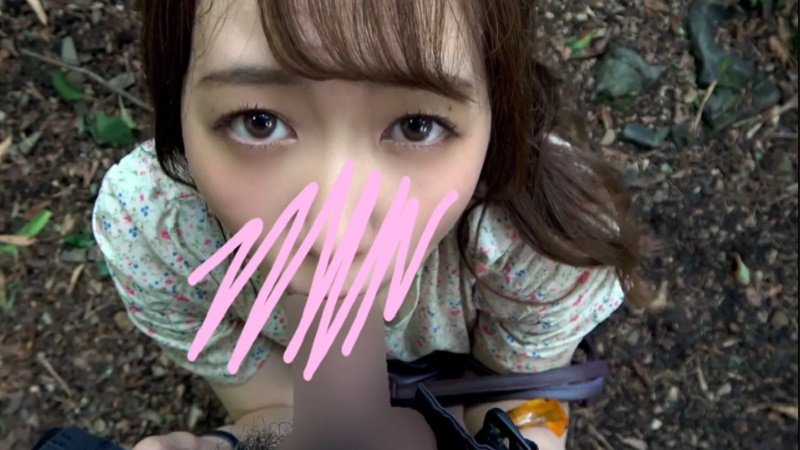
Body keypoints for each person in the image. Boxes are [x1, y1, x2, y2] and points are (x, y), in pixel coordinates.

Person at [92, 0, 651, 448]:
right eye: (258, 122)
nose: (334, 236)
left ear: (496, 113)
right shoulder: (160, 237)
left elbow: (516, 396)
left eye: (416, 125)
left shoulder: (539, 239)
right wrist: (240, 442)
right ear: (176, 108)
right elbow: (277, 407)